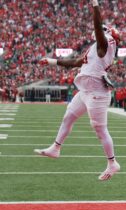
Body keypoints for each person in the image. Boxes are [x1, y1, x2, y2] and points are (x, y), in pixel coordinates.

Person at [34, 0, 120, 181]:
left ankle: (112, 163)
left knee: (100, 130)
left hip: (97, 92)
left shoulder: (106, 45)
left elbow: (97, 26)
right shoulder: (96, 49)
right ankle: (56, 148)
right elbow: (74, 62)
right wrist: (51, 61)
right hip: (85, 91)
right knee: (69, 116)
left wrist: (95, 4)